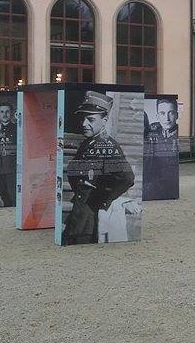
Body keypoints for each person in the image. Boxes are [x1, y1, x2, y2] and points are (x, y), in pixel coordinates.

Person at [63, 91, 135, 245]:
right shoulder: (87, 143)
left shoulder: (108, 146)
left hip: (90, 218)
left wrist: (101, 200)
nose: (84, 124)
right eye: (83, 119)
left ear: (105, 120)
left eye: (90, 119)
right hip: (79, 212)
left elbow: (127, 178)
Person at [144, 98, 179, 200]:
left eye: (171, 113)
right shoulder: (152, 129)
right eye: (162, 113)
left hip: (173, 183)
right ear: (157, 116)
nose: (167, 118)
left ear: (176, 115)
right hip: (154, 182)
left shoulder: (178, 133)